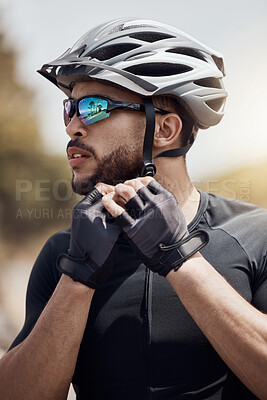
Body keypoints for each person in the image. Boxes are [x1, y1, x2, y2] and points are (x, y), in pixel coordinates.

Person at [1, 17, 267, 400]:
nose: (72, 127)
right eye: (70, 108)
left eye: (93, 107)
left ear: (164, 131)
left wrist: (180, 258)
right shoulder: (63, 254)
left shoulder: (255, 236)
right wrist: (77, 279)